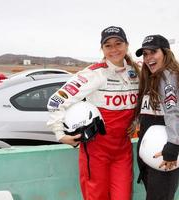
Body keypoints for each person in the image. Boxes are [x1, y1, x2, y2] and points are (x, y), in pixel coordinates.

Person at [47, 26, 140, 200]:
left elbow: (141, 102)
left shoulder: (135, 73)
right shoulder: (94, 73)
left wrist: (136, 121)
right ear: (102, 49)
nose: (114, 49)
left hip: (122, 150)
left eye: (118, 43)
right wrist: (60, 134)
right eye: (108, 45)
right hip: (96, 150)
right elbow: (56, 101)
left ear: (127, 45)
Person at [134, 34, 179, 200]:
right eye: (145, 54)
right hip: (150, 153)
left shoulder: (168, 77)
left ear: (165, 53)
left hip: (164, 153)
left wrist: (173, 146)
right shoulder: (151, 79)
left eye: (153, 52)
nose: (148, 58)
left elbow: (174, 112)